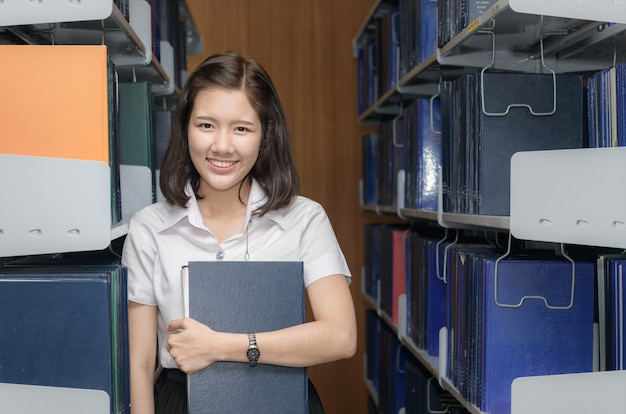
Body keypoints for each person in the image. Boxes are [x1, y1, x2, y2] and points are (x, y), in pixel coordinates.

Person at [121, 51, 357, 414]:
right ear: (185, 129)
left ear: (265, 135)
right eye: (206, 125)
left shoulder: (304, 218)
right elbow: (138, 365)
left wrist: (221, 346)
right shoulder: (149, 228)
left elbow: (341, 336)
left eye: (241, 128)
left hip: (278, 397)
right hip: (180, 401)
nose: (222, 146)